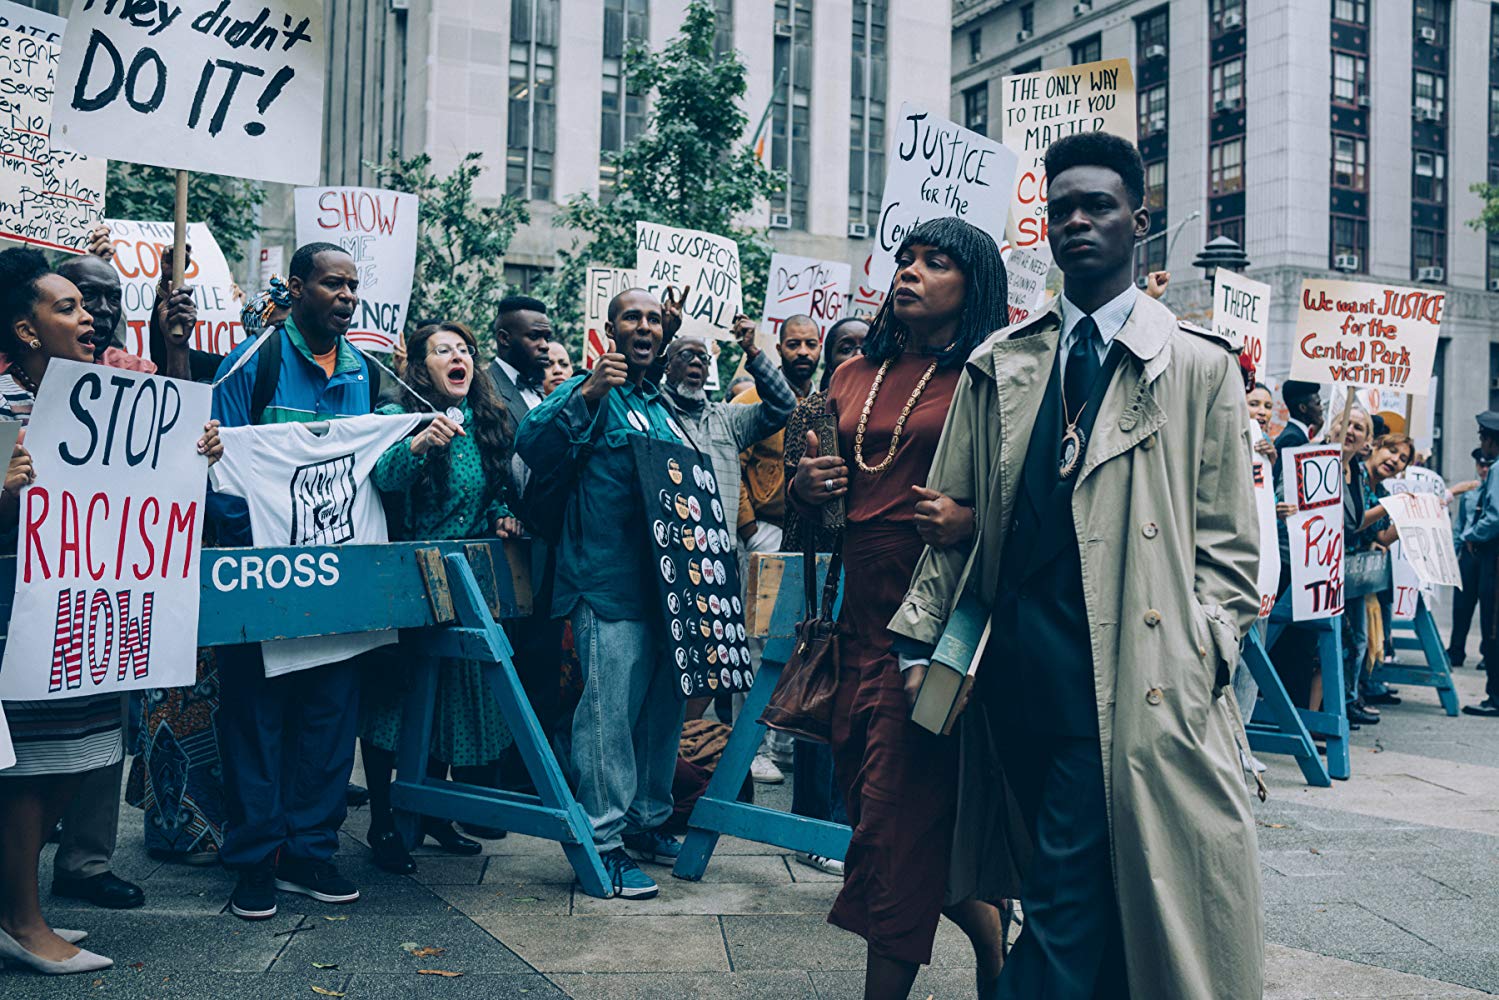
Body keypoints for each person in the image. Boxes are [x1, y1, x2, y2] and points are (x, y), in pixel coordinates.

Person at [888, 133, 1264, 999]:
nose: (1077, 221)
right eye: (1061, 208)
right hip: (1011, 677)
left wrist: (1202, 648)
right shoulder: (1000, 362)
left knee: (1063, 896)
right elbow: (947, 527)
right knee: (1075, 889)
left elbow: (1229, 548)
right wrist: (920, 653)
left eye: (1097, 205)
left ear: (1139, 221)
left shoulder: (1201, 368)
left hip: (1134, 681)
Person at [790, 217, 1010, 1000]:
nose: (910, 272)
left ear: (973, 283)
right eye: (905, 259)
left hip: (931, 633)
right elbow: (808, 505)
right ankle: (995, 950)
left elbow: (1037, 502)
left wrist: (969, 522)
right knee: (887, 825)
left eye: (935, 262)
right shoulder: (852, 371)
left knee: (888, 832)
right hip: (855, 625)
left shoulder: (996, 374)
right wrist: (807, 490)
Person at [0, 247, 220, 974]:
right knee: (31, 772)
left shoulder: (116, 398)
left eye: (88, 306)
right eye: (67, 307)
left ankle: (17, 910)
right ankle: (23, 923)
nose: (90, 318)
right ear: (26, 331)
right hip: (21, 625)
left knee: (76, 759)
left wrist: (194, 452)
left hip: (91, 623)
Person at [208, 243, 382, 920]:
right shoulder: (254, 363)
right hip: (260, 578)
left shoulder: (365, 371)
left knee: (329, 718)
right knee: (255, 720)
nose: (345, 295)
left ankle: (310, 850)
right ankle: (255, 860)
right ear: (299, 287)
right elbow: (213, 462)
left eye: (353, 286)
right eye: (332, 283)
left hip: (337, 580)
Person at [515, 287, 692, 901]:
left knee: (659, 718)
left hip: (665, 593)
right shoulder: (588, 390)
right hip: (603, 586)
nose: (644, 326)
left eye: (654, 318)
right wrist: (588, 392)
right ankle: (604, 844)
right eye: (631, 317)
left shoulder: (661, 404)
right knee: (605, 722)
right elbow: (530, 444)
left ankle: (646, 824)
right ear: (610, 328)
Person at [361, 322, 521, 873]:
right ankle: (384, 820)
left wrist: (502, 515)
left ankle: (430, 813)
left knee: (448, 698)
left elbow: (497, 486)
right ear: (419, 366)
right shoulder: (397, 418)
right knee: (396, 704)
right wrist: (419, 444)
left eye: (465, 350)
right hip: (405, 578)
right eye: (443, 350)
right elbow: (381, 479)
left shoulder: (487, 422)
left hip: (463, 580)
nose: (460, 357)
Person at [1460, 412, 1499, 717]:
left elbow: (1494, 516)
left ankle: (1495, 696)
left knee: (1493, 625)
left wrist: (1472, 535)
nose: (1481, 444)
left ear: (1490, 440)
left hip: (1494, 557)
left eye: (1482, 438)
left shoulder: (1497, 470)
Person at [1449, 447, 1493, 667]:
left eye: (1488, 464)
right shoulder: (1469, 493)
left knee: (1489, 608)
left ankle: (1488, 654)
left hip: (1488, 554)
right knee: (1462, 605)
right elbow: (1460, 525)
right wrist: (1452, 553)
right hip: (1468, 555)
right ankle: (1456, 650)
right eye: (1481, 465)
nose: (1484, 469)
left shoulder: (1494, 492)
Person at [1274, 380, 1324, 480]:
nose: (1321, 408)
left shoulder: (1296, 434)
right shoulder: (1292, 438)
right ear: (1303, 408)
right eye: (1318, 404)